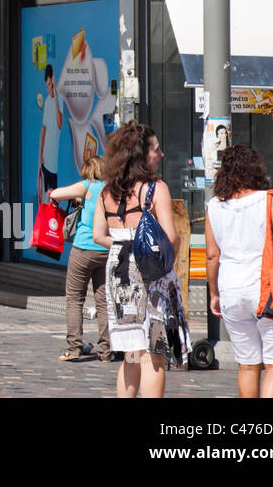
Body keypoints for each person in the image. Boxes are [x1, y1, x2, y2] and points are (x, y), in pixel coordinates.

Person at [206, 145, 273, 398]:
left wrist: (214, 293)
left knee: (247, 364)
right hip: (267, 290)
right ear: (255, 169)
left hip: (230, 290)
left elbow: (212, 255)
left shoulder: (214, 205)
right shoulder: (270, 199)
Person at [92, 121, 190, 398]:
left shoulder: (106, 191)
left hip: (118, 269)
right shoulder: (155, 189)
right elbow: (172, 237)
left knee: (131, 353)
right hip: (151, 272)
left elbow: (99, 235)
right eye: (156, 150)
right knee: (154, 355)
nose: (161, 154)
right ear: (140, 155)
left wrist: (125, 243)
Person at [48, 156, 113, 361]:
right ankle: (106, 350)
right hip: (105, 248)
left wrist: (79, 198)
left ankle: (74, 348)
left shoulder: (87, 187)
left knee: (75, 300)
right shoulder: (113, 190)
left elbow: (56, 194)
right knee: (103, 301)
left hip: (83, 248)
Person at [39, 65, 63, 205]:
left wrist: (55, 97)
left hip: (54, 157)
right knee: (47, 193)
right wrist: (41, 153)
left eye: (50, 85)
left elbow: (59, 123)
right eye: (47, 86)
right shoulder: (47, 102)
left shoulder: (58, 100)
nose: (49, 89)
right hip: (46, 155)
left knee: (55, 193)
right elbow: (45, 129)